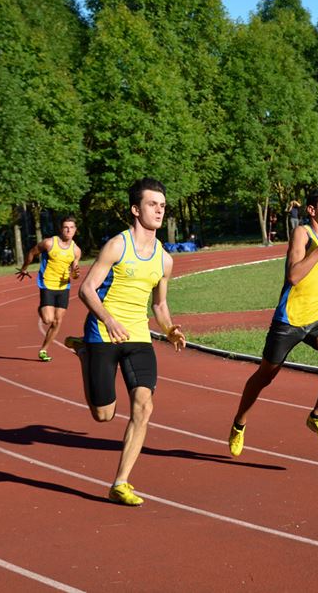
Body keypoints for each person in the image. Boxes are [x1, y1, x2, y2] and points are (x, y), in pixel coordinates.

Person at [63, 178, 186, 507]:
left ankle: (121, 482)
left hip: (138, 337)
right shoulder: (117, 245)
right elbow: (86, 289)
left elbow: (158, 305)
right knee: (103, 416)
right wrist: (108, 319)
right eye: (152, 204)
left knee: (144, 407)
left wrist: (170, 328)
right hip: (103, 334)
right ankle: (84, 353)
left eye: (162, 205)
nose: (159, 210)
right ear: (136, 209)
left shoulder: (165, 259)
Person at [228, 186, 318, 457]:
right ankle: (239, 423)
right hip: (290, 320)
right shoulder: (302, 234)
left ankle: (317, 416)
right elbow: (293, 276)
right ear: (311, 210)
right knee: (264, 376)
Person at [16, 216, 83, 362]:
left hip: (64, 286)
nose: (68, 230)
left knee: (57, 321)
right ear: (61, 228)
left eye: (71, 227)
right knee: (47, 320)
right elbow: (32, 252)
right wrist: (24, 268)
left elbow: (74, 274)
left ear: (75, 230)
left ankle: (44, 349)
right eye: (66, 227)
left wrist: (76, 274)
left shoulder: (76, 251)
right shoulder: (49, 243)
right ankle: (41, 307)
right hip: (47, 283)